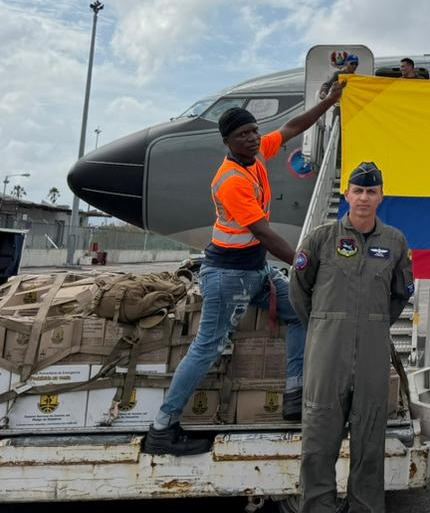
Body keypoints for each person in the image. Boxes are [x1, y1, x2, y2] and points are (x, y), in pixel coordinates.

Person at [143, 84, 344, 455]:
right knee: (207, 347)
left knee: (302, 313)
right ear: (228, 141)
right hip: (227, 276)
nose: (253, 139)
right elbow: (264, 232)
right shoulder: (232, 180)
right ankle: (162, 428)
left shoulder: (257, 154)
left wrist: (328, 103)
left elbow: (293, 127)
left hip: (255, 271)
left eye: (254, 131)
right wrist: (304, 263)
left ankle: (294, 394)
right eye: (243, 135)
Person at [291, 162, 413, 513]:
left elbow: (400, 293)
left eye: (371, 191)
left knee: (370, 441)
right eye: (357, 190)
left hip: (373, 352)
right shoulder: (321, 238)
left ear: (381, 197)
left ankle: (365, 507)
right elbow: (299, 291)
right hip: (327, 352)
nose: (363, 197)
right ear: (347, 195)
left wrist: (373, 325)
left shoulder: (394, 242)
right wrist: (325, 325)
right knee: (318, 440)